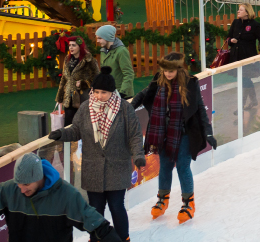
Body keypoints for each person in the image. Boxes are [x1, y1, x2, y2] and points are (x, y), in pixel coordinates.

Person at [49, 66, 144, 242]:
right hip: (93, 169)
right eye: (97, 91)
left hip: (117, 166)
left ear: (112, 92)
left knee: (116, 206)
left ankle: (123, 238)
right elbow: (76, 130)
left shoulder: (124, 109)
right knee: (95, 209)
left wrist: (138, 155)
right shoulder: (86, 108)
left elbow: (135, 135)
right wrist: (62, 134)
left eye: (104, 93)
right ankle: (96, 239)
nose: (99, 96)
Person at [132, 53, 216, 224]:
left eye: (170, 71)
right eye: (164, 70)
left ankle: (188, 203)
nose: (167, 74)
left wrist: (208, 133)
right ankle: (163, 199)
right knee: (165, 166)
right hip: (164, 132)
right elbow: (143, 94)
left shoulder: (190, 83)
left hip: (184, 133)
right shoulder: (159, 81)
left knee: (182, 166)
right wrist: (128, 107)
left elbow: (200, 109)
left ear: (178, 68)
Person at [0, 153, 124, 242]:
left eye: (26, 184)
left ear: (39, 177)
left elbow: (97, 226)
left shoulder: (66, 195)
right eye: (18, 184)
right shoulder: (8, 191)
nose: (22, 190)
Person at [228, 3, 260, 109]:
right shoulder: (235, 22)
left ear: (247, 12)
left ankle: (241, 105)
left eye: (240, 10)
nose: (238, 12)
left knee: (244, 79)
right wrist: (231, 41)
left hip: (248, 58)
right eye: (238, 10)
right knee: (244, 80)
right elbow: (228, 38)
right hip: (236, 57)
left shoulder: (255, 25)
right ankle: (253, 101)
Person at [55, 35, 99, 126]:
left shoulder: (88, 60)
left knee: (83, 123)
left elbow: (97, 78)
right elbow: (64, 78)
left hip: (83, 97)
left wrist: (84, 83)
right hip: (69, 97)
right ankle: (68, 140)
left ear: (80, 46)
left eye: (74, 45)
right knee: (68, 124)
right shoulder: (67, 59)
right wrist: (59, 97)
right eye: (70, 45)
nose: (71, 47)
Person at [95, 25, 134, 99]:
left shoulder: (121, 51)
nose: (97, 41)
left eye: (100, 38)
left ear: (107, 37)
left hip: (122, 95)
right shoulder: (103, 51)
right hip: (109, 93)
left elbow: (129, 74)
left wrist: (122, 93)